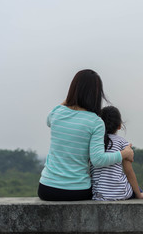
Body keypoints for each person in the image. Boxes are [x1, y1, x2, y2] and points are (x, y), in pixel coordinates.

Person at [38, 69, 134, 201]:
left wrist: (70, 99)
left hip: (47, 188)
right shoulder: (95, 122)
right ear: (96, 94)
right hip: (77, 190)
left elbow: (48, 121)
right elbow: (98, 160)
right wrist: (124, 153)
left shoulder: (57, 112)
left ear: (73, 88)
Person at [90, 106, 143, 200]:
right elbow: (129, 171)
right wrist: (139, 194)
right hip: (120, 193)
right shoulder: (123, 143)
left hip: (99, 194)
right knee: (137, 189)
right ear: (119, 126)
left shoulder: (95, 142)